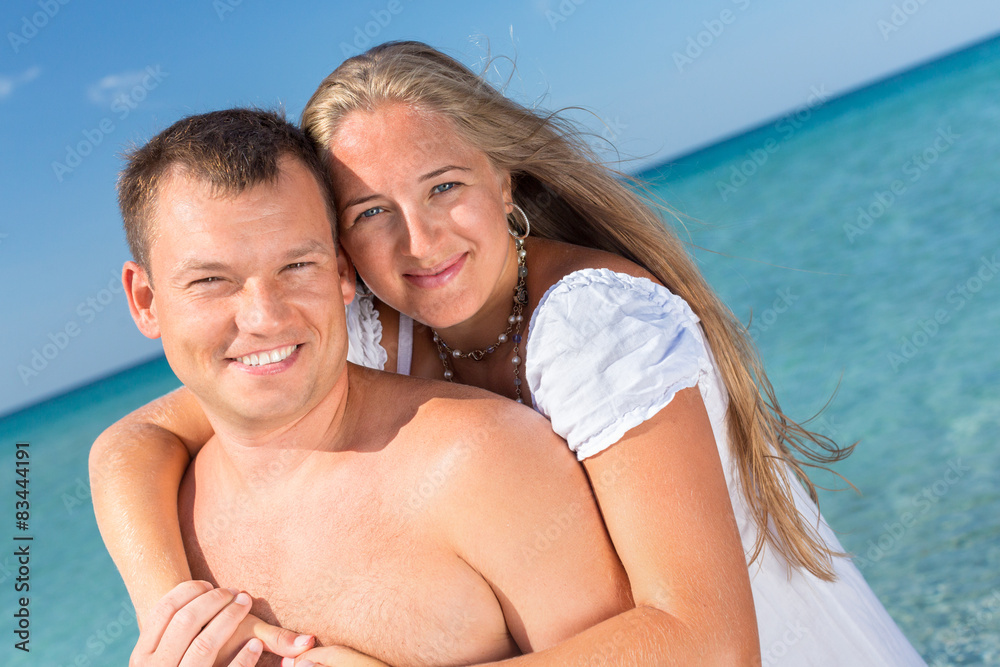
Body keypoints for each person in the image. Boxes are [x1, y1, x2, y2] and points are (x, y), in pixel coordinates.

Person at [91, 42, 925, 665]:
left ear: (505, 179)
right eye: (371, 211)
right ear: (343, 249)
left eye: (443, 186)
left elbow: (706, 640)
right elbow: (133, 443)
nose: (418, 241)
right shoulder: (382, 317)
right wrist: (178, 614)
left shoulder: (595, 329)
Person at [112, 107, 667, 667]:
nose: (264, 317)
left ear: (341, 272)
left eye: (297, 265)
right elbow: (122, 446)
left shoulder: (480, 465)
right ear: (146, 301)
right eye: (211, 280)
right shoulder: (164, 525)